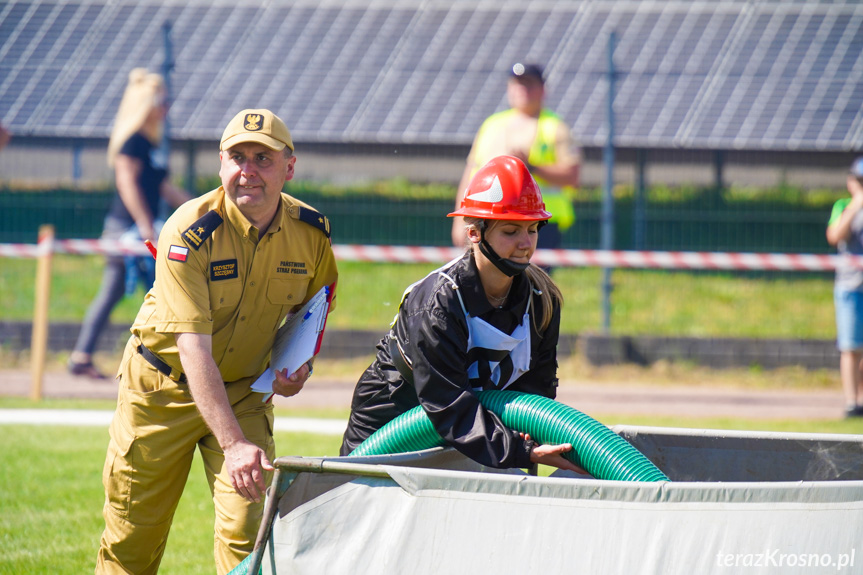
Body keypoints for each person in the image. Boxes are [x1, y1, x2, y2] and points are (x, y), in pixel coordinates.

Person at [95, 109, 339, 574]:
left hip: (243, 390)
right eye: (237, 157)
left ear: (289, 166)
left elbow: (316, 306)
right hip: (163, 392)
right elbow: (192, 348)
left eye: (263, 159)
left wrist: (297, 366)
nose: (248, 171)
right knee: (133, 540)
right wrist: (233, 445)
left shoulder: (312, 234)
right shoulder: (187, 232)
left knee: (251, 534)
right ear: (220, 163)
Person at [341, 155, 583, 474]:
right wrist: (519, 450)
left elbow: (535, 397)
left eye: (532, 229)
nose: (525, 244)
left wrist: (527, 445)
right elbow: (447, 403)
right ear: (475, 233)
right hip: (396, 412)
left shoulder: (543, 301)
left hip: (474, 422)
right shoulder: (438, 302)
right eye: (510, 231)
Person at [68, 68, 191, 379]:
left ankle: (84, 356)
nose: (166, 108)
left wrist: (209, 207)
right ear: (146, 104)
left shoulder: (149, 145)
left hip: (140, 229)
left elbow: (165, 188)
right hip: (128, 230)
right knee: (149, 292)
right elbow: (126, 183)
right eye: (162, 101)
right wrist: (145, 224)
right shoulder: (133, 142)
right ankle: (144, 360)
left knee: (128, 292)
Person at [451, 62, 580, 267]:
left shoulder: (555, 127)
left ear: (542, 89)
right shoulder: (492, 125)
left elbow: (572, 176)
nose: (522, 90)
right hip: (488, 219)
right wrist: (460, 220)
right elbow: (471, 174)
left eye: (528, 84)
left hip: (538, 225)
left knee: (528, 289)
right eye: (518, 84)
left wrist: (532, 168)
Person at [827, 157, 863, 418]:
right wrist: (855, 207)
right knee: (850, 346)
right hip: (850, 285)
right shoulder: (843, 205)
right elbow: (834, 236)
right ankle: (852, 402)